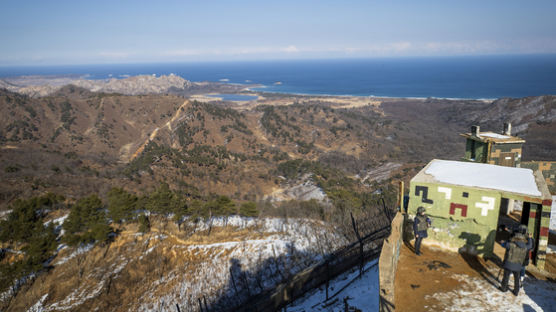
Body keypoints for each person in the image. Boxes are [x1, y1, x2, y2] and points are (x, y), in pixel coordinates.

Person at [500, 227, 529, 295]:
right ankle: (516, 291)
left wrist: (505, 241)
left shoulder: (510, 244)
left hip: (509, 264)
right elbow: (530, 246)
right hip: (518, 265)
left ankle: (504, 288)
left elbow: (503, 244)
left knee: (506, 276)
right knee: (517, 278)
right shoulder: (525, 247)